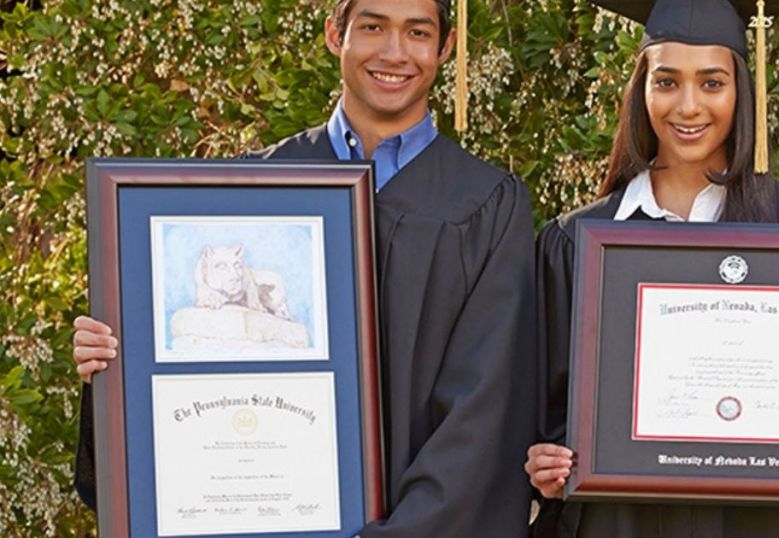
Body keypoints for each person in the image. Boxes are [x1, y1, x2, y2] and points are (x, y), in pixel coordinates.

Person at [72, 1, 537, 536]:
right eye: (372, 27)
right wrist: (111, 362)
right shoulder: (255, 190)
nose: (394, 52)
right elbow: (194, 375)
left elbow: (486, 408)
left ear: (445, 48)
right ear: (334, 35)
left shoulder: (489, 204)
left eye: (417, 32)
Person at [523, 0, 779, 536]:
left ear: (741, 92)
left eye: (711, 83)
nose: (688, 106)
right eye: (666, 82)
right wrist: (544, 468)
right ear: (641, 90)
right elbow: (546, 416)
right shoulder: (577, 244)